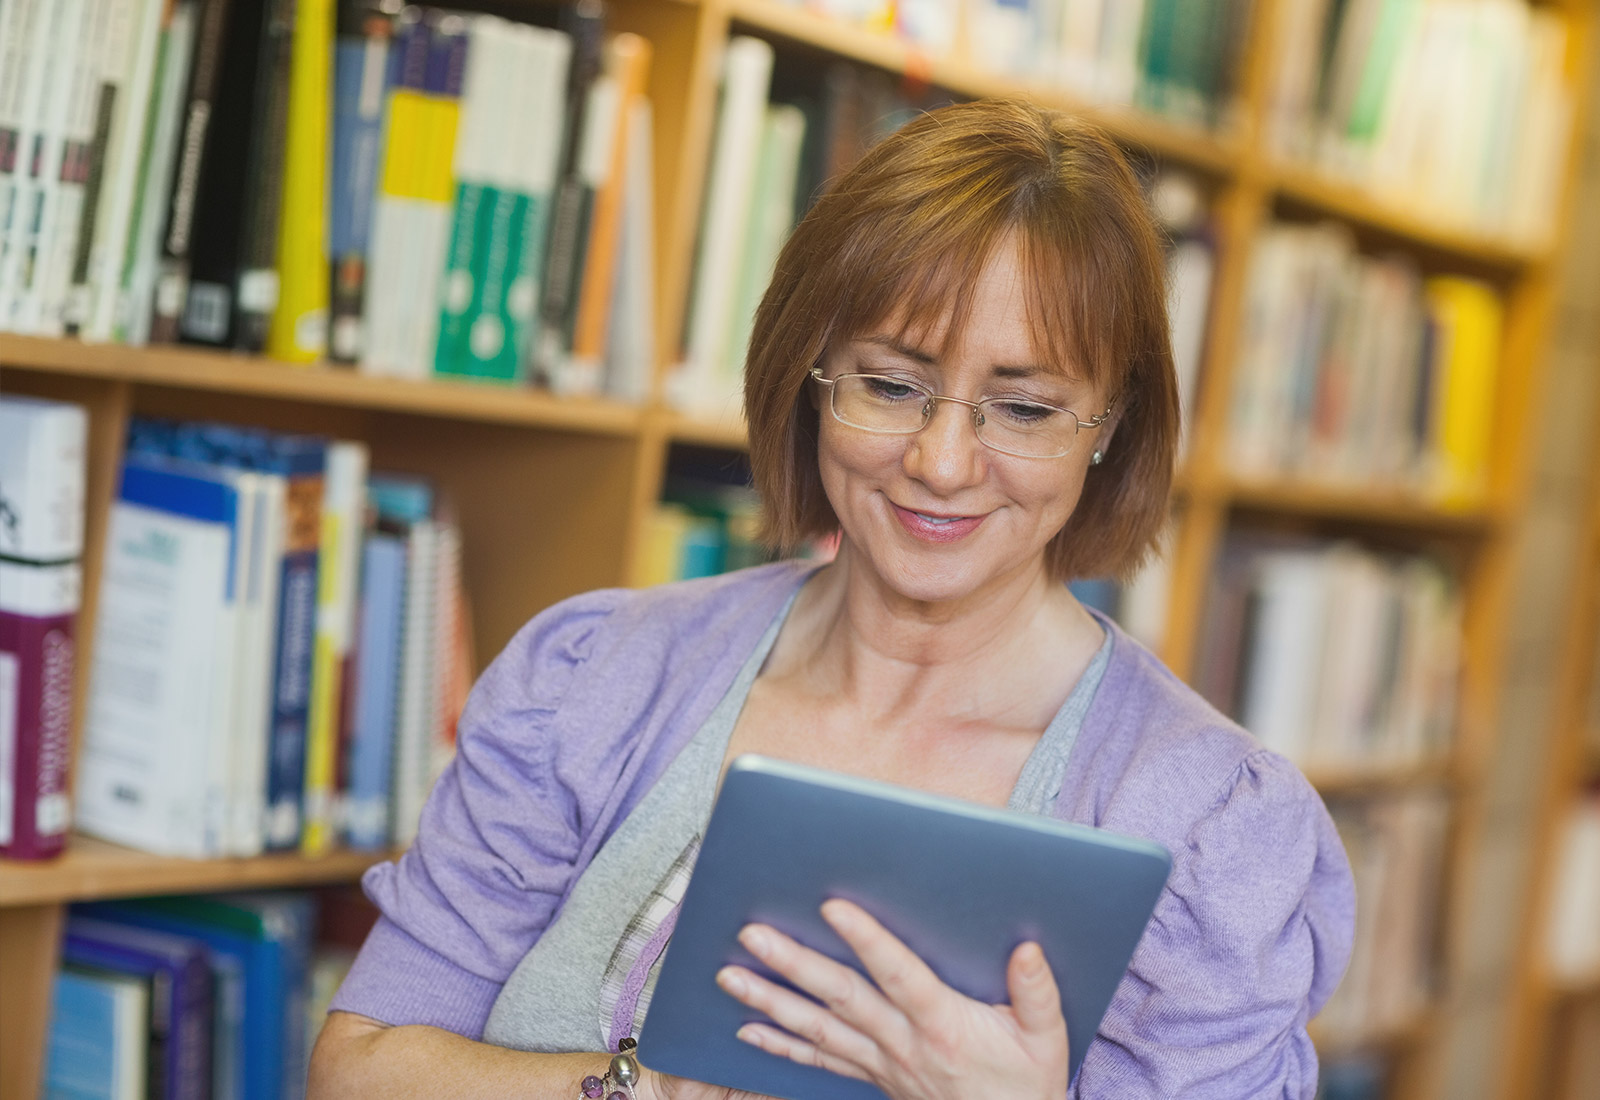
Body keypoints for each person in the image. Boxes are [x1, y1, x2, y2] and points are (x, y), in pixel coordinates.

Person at [310, 97, 1355, 1100]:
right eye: (891, 385)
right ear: (807, 375)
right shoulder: (593, 680)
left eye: (1024, 406)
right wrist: (655, 1085)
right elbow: (360, 1069)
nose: (942, 462)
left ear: (1110, 427)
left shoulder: (1208, 827)